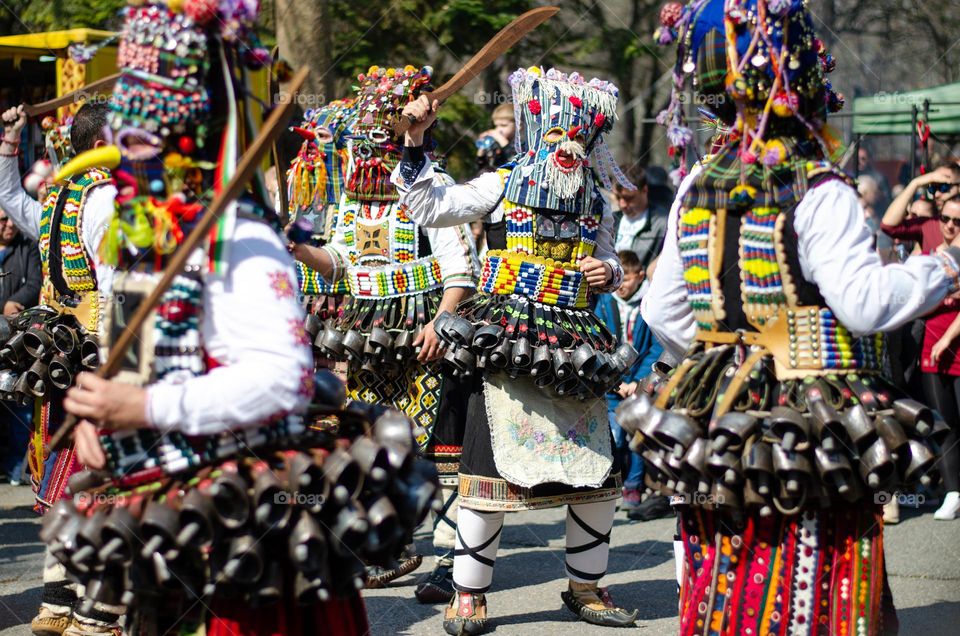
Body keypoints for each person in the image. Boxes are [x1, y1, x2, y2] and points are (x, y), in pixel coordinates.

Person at [630, 1, 959, 633]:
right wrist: (946, 266)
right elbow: (864, 305)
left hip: (718, 409)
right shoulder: (819, 186)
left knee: (727, 565)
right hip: (810, 413)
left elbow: (663, 311)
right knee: (821, 572)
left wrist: (721, 359)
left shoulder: (697, 182)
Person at [396, 65, 640, 633]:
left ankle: (585, 587)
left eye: (579, 139)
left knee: (596, 467)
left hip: (575, 342)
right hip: (504, 340)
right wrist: (414, 140)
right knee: (488, 468)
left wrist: (604, 271)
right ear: (538, 133)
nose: (568, 149)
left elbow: (610, 262)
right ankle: (469, 594)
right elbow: (431, 207)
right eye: (558, 137)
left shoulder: (598, 200)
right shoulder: (503, 181)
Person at [290, 64, 478, 604]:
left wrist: (441, 321)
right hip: (367, 334)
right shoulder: (350, 200)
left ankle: (454, 558)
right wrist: (301, 250)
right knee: (375, 443)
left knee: (437, 448)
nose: (367, 147)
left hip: (423, 330)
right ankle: (389, 546)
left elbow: (458, 266)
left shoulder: (430, 186)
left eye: (379, 134)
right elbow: (341, 263)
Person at [0, 101, 118, 636]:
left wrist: (8, 145)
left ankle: (55, 597)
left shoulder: (54, 199)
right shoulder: (105, 196)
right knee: (97, 466)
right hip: (95, 347)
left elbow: (7, 198)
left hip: (55, 350)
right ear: (104, 143)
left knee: (60, 458)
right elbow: (114, 288)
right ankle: (96, 607)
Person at [593, 250, 664, 520]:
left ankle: (634, 487)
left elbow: (656, 346)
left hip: (640, 386)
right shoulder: (604, 302)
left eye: (628, 279)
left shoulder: (650, 305)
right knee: (613, 436)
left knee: (637, 438)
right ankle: (613, 485)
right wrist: (616, 381)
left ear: (640, 276)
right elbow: (599, 340)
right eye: (619, 280)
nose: (622, 285)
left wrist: (638, 380)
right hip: (613, 384)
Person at [0, 207, 41, 485]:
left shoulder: (26, 247)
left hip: (14, 338)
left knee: (17, 400)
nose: (10, 225)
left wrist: (13, 303)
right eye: (3, 220)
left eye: (12, 219)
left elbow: (34, 282)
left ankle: (17, 468)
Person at [612, 164, 668, 275]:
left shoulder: (662, 223)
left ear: (644, 190)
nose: (622, 204)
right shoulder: (611, 220)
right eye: (618, 197)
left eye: (629, 198)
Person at [474, 102, 515, 174]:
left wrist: (501, 139)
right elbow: (481, 168)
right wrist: (483, 147)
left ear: (519, 125)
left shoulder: (520, 144)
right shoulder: (496, 145)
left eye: (503, 125)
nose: (498, 130)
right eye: (496, 126)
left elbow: (513, 159)